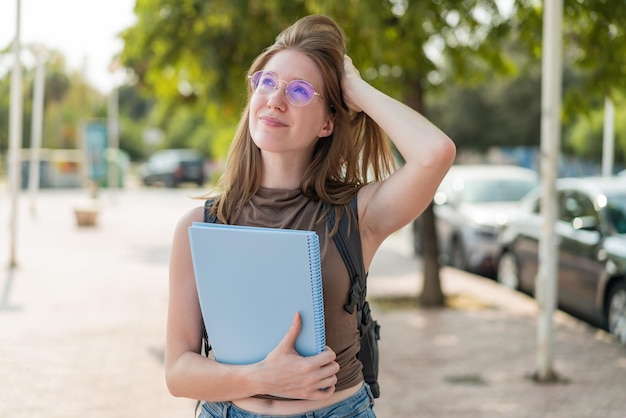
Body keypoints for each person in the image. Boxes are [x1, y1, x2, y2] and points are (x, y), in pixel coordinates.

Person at [166, 14, 456, 418]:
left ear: (327, 123)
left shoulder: (357, 215)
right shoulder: (201, 226)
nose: (275, 100)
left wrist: (355, 87)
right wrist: (261, 378)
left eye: (300, 91)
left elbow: (435, 153)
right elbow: (179, 372)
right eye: (266, 83)